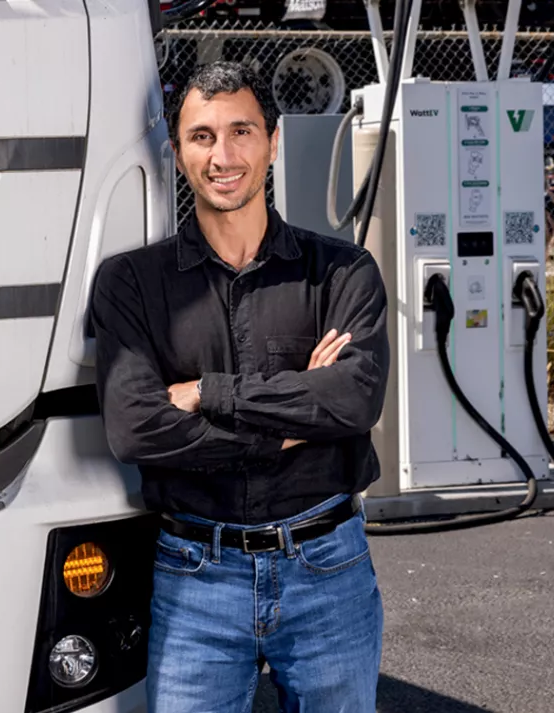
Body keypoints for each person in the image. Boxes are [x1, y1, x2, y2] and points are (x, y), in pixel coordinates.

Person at [89, 60, 390, 712]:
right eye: (202, 136)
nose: (223, 155)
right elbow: (134, 426)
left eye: (242, 132)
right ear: (176, 150)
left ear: (273, 141)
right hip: (197, 574)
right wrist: (288, 423)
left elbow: (355, 396)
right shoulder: (133, 284)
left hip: (327, 568)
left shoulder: (340, 272)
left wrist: (208, 392)